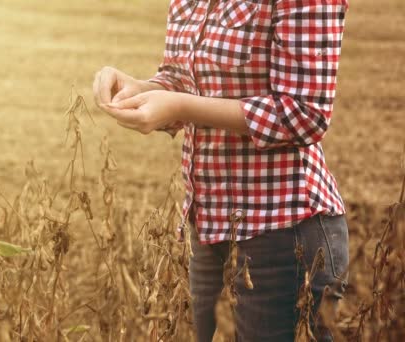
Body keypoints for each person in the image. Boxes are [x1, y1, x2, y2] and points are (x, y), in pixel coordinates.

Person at [92, 0, 350, 340]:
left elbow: (304, 114)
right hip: (209, 230)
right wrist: (140, 89)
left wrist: (180, 105)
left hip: (283, 236)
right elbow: (186, 82)